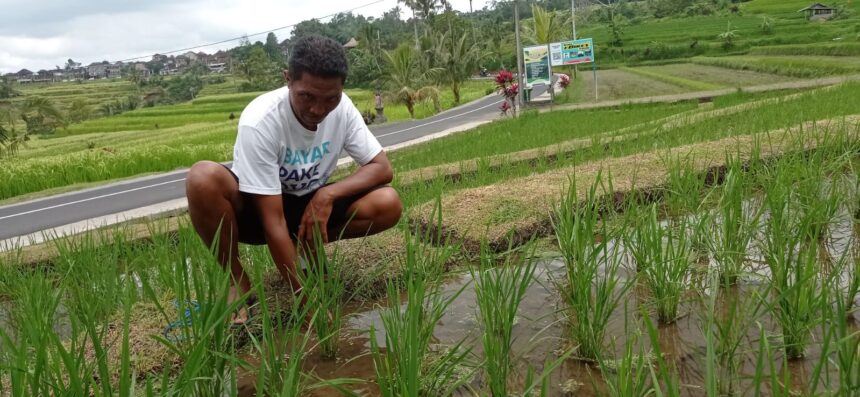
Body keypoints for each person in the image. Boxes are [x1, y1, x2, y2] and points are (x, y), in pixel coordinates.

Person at [185, 35, 402, 324]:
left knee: (388, 202)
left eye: (330, 98)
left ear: (342, 88)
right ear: (288, 79)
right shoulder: (261, 121)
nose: (318, 109)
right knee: (202, 178)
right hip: (258, 211)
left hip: (310, 203)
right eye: (307, 96)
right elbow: (272, 221)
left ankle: (306, 247)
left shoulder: (344, 109)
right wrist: (305, 298)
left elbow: (381, 167)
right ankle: (237, 280)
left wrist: (328, 195)